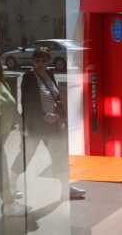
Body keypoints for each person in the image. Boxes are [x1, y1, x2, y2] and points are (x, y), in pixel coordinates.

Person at [17, 47, 85, 200]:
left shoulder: (49, 74)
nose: (39, 63)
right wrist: (42, 116)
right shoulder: (28, 77)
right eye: (37, 60)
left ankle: (65, 189)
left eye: (43, 60)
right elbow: (27, 103)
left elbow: (56, 98)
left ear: (48, 61)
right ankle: (9, 186)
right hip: (37, 126)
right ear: (33, 61)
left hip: (52, 125)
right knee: (25, 156)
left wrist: (61, 116)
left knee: (59, 156)